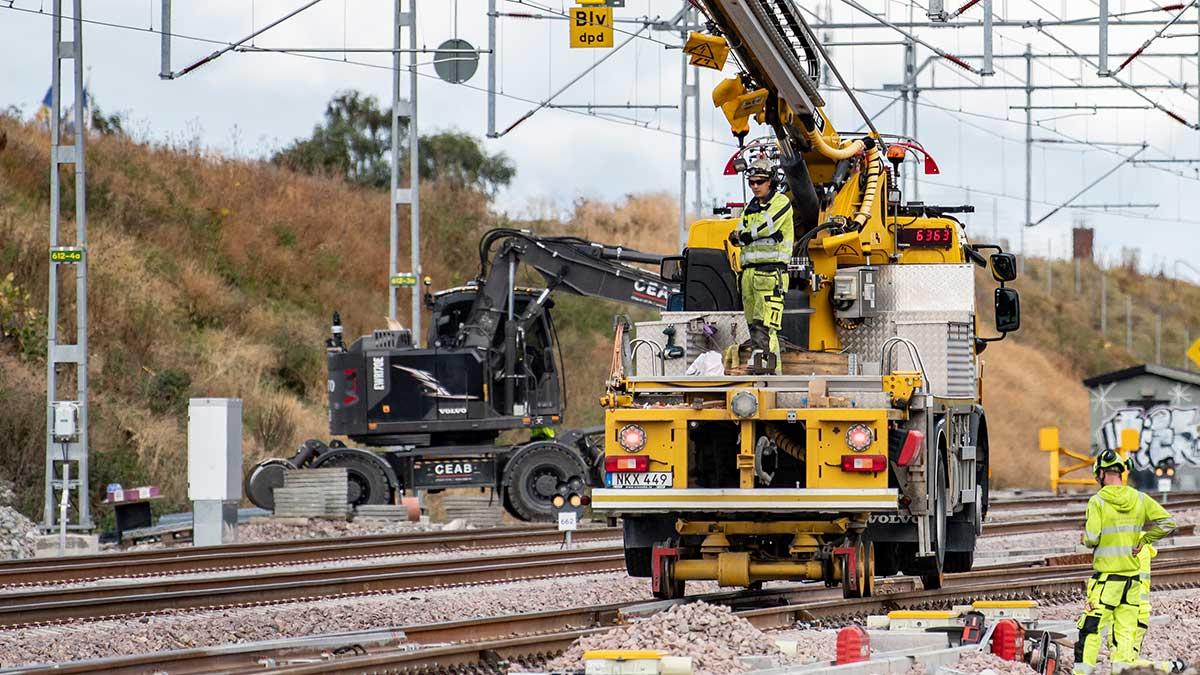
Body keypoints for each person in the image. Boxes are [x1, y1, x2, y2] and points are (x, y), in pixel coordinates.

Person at [1074, 449, 1181, 675]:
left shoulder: (1098, 502)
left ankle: (1082, 673)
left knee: (1091, 629)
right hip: (1131, 583)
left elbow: (1091, 538)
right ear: (1121, 472)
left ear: (1101, 473)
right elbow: (1168, 523)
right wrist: (1145, 540)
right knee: (1124, 636)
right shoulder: (1139, 498)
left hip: (1106, 583)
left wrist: (1086, 538)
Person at [728, 156, 793, 375]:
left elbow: (766, 226)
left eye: (760, 182)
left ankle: (772, 375)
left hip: (770, 274)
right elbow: (736, 233)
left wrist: (745, 236)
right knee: (754, 328)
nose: (755, 186)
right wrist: (742, 235)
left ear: (771, 182)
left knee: (767, 328)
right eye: (751, 182)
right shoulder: (750, 207)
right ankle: (759, 370)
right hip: (748, 275)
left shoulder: (781, 202)